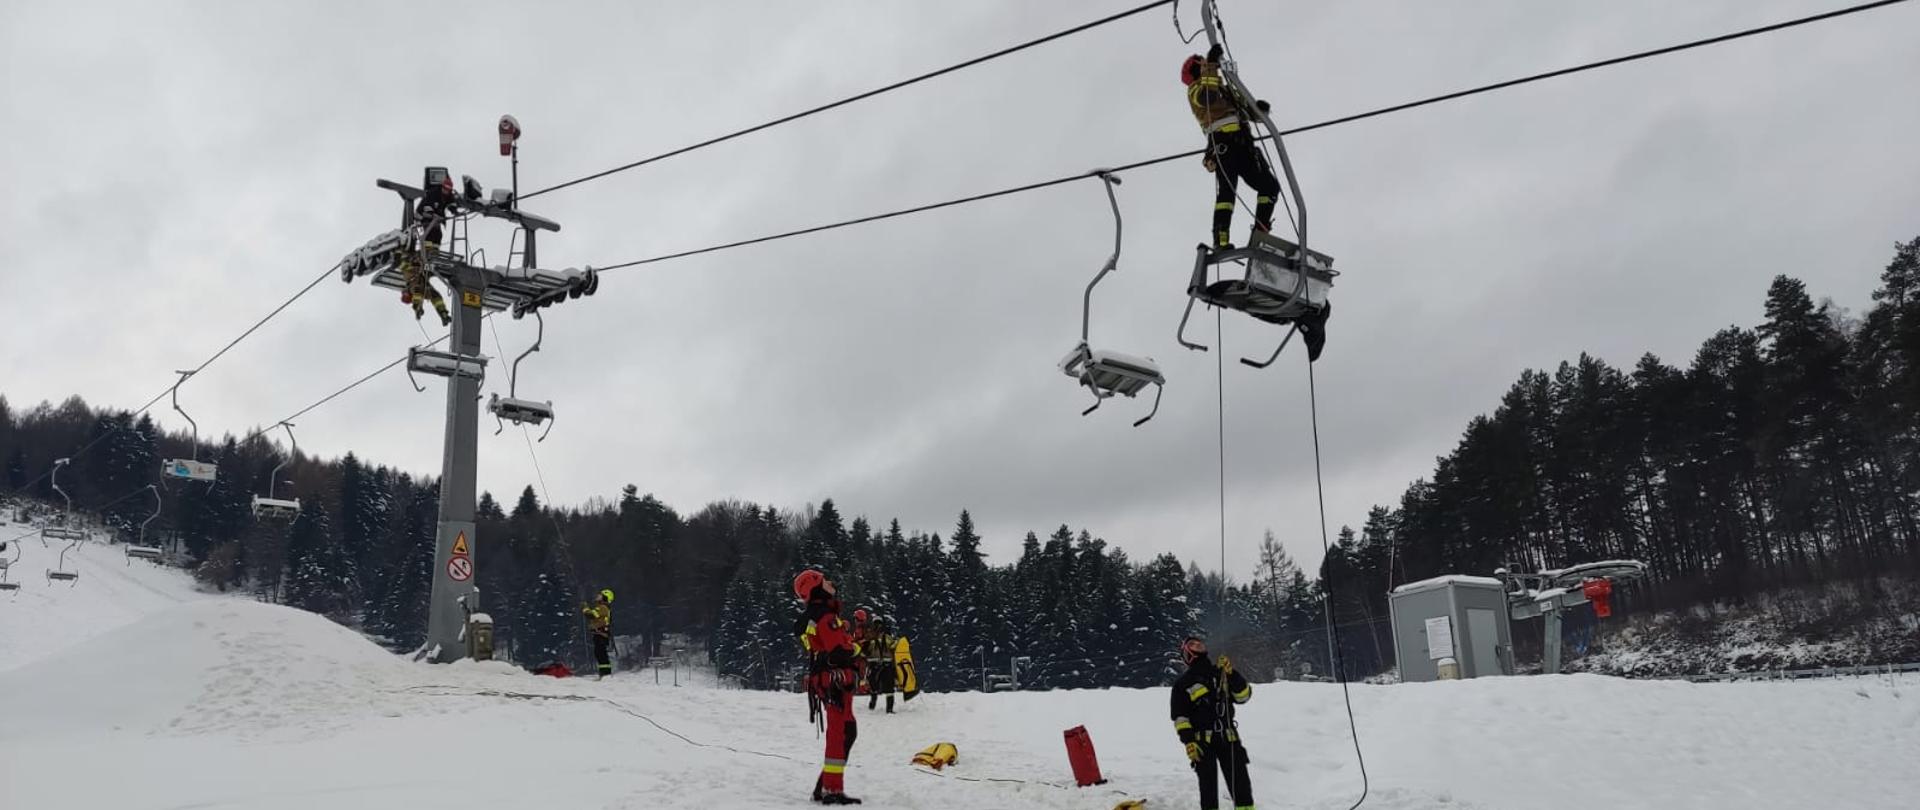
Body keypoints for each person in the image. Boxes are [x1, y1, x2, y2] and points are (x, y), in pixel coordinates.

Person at [1182, 43, 1279, 252]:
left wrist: (1257, 111)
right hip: (1223, 144)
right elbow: (1208, 99)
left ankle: (1260, 235)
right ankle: (1221, 240)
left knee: (1270, 187)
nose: (1208, 63)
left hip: (1244, 145)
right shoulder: (1196, 90)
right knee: (1227, 195)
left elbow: (1242, 112)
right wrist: (1211, 67)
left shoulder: (1222, 89)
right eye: (1203, 63)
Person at [794, 569, 864, 805]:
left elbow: (819, 645)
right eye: (825, 581)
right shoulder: (826, 617)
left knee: (847, 732)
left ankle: (823, 786)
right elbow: (839, 650)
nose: (831, 582)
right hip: (835, 682)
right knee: (840, 733)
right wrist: (854, 649)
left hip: (828, 681)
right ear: (816, 588)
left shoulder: (815, 617)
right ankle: (831, 789)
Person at [1170, 636, 1256, 810]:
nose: (1198, 644)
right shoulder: (1182, 684)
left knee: (1241, 785)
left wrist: (1233, 675)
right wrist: (1189, 742)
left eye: (1199, 642)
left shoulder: (1222, 673)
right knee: (1208, 788)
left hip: (1228, 737)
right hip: (1202, 742)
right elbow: (1180, 718)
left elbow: (1243, 696)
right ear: (1187, 653)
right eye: (1192, 644)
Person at [396, 173, 454, 326]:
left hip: (420, 232)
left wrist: (418, 307)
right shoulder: (418, 285)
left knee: (428, 238)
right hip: (425, 257)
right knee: (433, 238)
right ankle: (444, 316)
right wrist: (443, 313)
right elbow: (435, 297)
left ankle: (430, 251)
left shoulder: (410, 280)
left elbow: (417, 292)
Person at [865, 617, 898, 713]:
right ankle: (874, 704)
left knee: (888, 687)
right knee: (874, 685)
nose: (878, 626)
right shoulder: (871, 636)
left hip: (884, 664)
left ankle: (888, 708)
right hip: (877, 664)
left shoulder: (884, 637)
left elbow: (893, 647)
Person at [581, 588, 614, 679]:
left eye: (600, 595)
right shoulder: (603, 607)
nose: (597, 596)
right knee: (599, 653)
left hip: (601, 634)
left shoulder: (602, 607)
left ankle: (605, 674)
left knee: (601, 653)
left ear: (605, 598)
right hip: (600, 634)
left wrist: (585, 608)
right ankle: (604, 674)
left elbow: (591, 615)